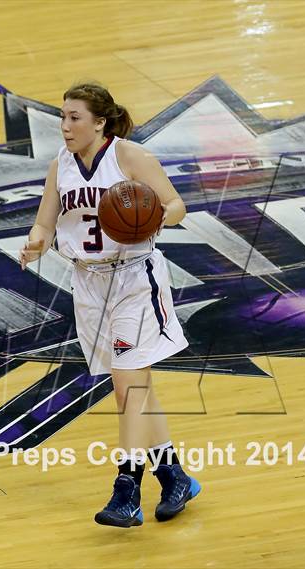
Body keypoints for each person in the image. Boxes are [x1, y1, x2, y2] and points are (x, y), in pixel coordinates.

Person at [19, 82, 201, 528]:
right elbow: (45, 221)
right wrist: (36, 245)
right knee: (138, 389)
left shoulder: (130, 157)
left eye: (74, 118)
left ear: (99, 122)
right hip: (88, 283)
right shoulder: (59, 165)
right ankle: (175, 476)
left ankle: (127, 490)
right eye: (62, 117)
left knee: (127, 388)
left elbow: (177, 205)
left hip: (134, 281)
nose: (65, 127)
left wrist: (153, 214)